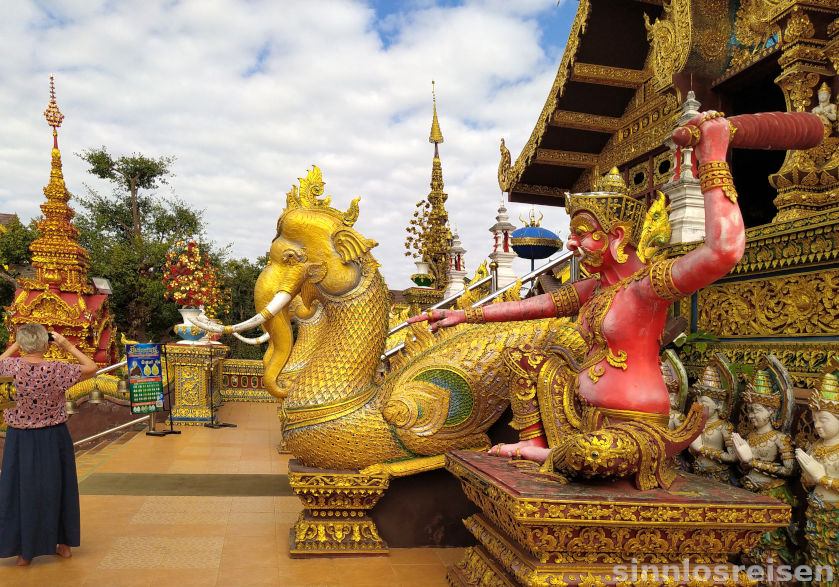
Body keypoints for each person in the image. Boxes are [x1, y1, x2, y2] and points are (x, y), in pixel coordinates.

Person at [411, 111, 745, 489]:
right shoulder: (596, 288)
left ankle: (544, 454)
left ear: (615, 237)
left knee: (590, 456)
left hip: (632, 431)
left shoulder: (648, 286)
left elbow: (724, 251)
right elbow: (530, 307)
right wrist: (464, 316)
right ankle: (533, 444)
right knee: (523, 359)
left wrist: (714, 159)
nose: (572, 244)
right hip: (579, 414)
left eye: (583, 234)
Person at [0, 323, 97, 566]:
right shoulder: (57, 369)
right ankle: (63, 544)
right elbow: (92, 368)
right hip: (53, 437)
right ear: (46, 344)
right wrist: (65, 344)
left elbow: (2, 358)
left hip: (19, 438)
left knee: (20, 490)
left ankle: (24, 551)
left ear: (21, 344)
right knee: (58, 487)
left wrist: (16, 345)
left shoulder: (8, 366)